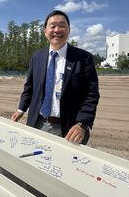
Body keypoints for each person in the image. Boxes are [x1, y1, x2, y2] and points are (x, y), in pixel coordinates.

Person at [11, 10, 99, 144]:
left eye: (62, 25)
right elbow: (30, 86)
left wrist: (82, 124)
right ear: (45, 31)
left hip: (69, 129)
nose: (57, 30)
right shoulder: (37, 57)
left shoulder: (83, 58)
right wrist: (21, 109)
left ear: (69, 30)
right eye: (52, 26)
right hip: (37, 123)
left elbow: (91, 95)